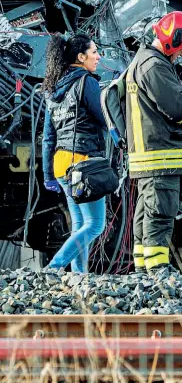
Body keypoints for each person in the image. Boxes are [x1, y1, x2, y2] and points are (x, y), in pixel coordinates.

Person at [125, 11, 182, 275]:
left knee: (145, 214)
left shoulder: (143, 61)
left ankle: (144, 269)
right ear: (172, 42)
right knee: (160, 212)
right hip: (160, 155)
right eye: (181, 49)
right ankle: (157, 270)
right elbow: (177, 109)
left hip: (148, 156)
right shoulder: (154, 66)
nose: (181, 55)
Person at [42, 33, 107, 273]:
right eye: (94, 52)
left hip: (61, 164)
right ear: (81, 57)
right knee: (95, 225)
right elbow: (104, 119)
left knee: (80, 223)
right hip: (83, 163)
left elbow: (49, 136)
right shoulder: (86, 82)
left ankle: (80, 276)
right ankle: (54, 267)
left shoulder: (52, 89)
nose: (98, 57)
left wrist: (48, 175)